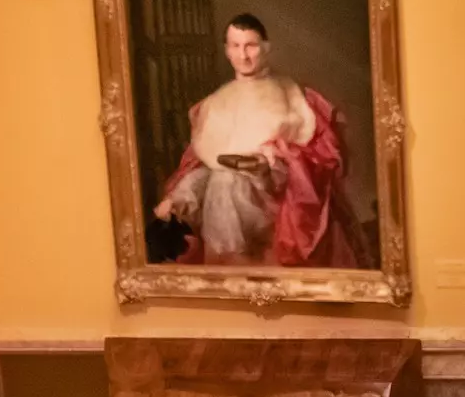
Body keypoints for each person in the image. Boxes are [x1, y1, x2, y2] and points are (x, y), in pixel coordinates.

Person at [152, 13, 367, 268]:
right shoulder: (215, 102)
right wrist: (180, 196)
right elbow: (203, 161)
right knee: (212, 181)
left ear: (266, 48)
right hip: (224, 197)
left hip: (276, 194)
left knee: (225, 182)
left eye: (251, 46)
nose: (243, 56)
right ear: (227, 51)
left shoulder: (293, 95)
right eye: (236, 46)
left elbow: (320, 158)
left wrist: (277, 154)